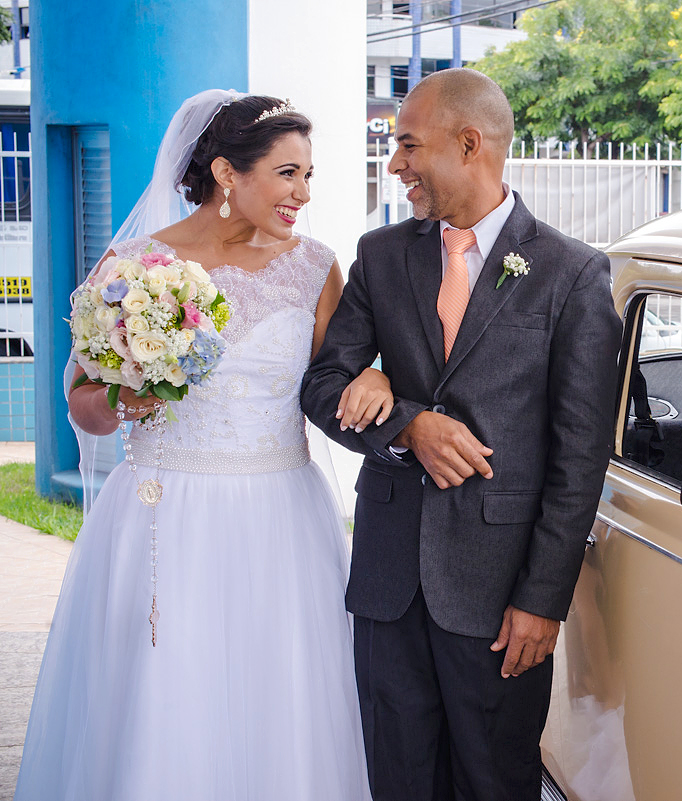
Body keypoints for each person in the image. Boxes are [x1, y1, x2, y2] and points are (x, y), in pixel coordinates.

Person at [15, 90, 382, 801]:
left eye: (309, 175)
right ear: (225, 173)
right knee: (167, 691)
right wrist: (119, 400)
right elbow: (82, 404)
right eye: (287, 174)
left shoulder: (316, 267)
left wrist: (378, 378)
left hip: (280, 515)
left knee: (279, 689)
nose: (303, 193)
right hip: (163, 512)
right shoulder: (131, 268)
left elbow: (340, 379)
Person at [301, 68, 622, 800]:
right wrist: (409, 424)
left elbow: (579, 458)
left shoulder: (571, 275)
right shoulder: (381, 256)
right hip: (388, 589)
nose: (396, 165)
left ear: (469, 143)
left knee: (495, 782)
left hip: (501, 597)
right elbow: (322, 387)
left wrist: (543, 600)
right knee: (399, 782)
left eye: (408, 144)